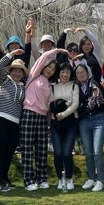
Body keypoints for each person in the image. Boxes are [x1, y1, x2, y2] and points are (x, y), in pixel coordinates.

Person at [21, 48, 67, 190]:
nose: (50, 70)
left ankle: (41, 178)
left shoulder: (49, 84)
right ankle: (28, 181)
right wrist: (57, 50)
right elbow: (43, 58)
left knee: (41, 149)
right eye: (49, 67)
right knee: (27, 149)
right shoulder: (34, 75)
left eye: (53, 69)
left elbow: (48, 106)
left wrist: (48, 123)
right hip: (29, 113)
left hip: (42, 117)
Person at [0, 49, 28, 192]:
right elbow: (0, 66)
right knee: (1, 148)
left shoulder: (23, 87)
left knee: (10, 149)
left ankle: (4, 177)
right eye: (15, 71)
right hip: (0, 116)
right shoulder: (4, 79)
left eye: (20, 72)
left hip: (15, 120)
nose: (17, 74)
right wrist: (11, 53)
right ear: (10, 71)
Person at [76, 62, 104, 191]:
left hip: (98, 119)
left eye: (83, 72)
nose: (81, 75)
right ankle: (91, 178)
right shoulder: (75, 88)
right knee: (88, 152)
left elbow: (100, 100)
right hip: (84, 121)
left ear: (88, 73)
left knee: (97, 151)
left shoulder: (95, 84)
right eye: (78, 73)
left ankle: (100, 179)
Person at [50, 62, 79, 190]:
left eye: (67, 72)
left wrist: (64, 113)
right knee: (58, 153)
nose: (65, 74)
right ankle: (60, 179)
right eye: (62, 71)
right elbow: (50, 104)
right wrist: (62, 106)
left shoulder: (74, 86)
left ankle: (69, 178)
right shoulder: (52, 87)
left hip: (71, 122)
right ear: (59, 73)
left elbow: (75, 104)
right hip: (55, 122)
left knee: (67, 153)